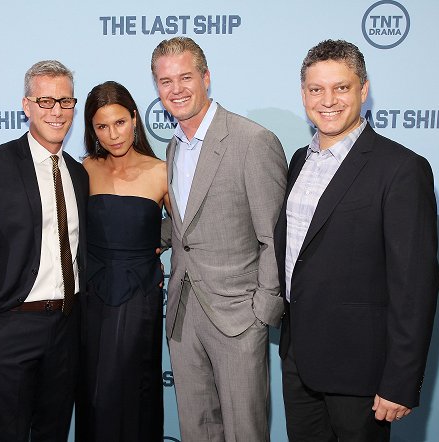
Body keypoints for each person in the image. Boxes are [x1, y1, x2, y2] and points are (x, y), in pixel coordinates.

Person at [274, 39, 439, 441]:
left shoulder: (401, 168)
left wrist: (400, 380)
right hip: (299, 361)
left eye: (341, 88)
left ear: (363, 90)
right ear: (303, 94)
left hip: (361, 371)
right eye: (316, 89)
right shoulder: (299, 159)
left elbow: (414, 286)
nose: (327, 100)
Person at [151, 37, 287, 441]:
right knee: (197, 431)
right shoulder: (174, 146)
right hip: (183, 315)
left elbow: (273, 237)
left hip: (239, 318)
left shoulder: (252, 141)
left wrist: (261, 310)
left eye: (185, 77)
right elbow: (186, 228)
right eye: (165, 81)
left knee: (245, 432)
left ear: (206, 78)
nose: (176, 89)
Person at [0, 60, 89, 442]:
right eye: (46, 101)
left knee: (53, 433)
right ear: (26, 105)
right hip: (10, 328)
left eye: (65, 102)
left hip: (67, 327)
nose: (56, 111)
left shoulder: (77, 172)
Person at [75, 81, 169, 442]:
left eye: (119, 123)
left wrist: (152, 245)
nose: (113, 134)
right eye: (102, 126)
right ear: (92, 130)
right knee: (94, 392)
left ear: (134, 119)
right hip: (92, 294)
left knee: (132, 388)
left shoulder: (161, 171)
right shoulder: (85, 169)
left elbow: (184, 227)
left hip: (139, 295)